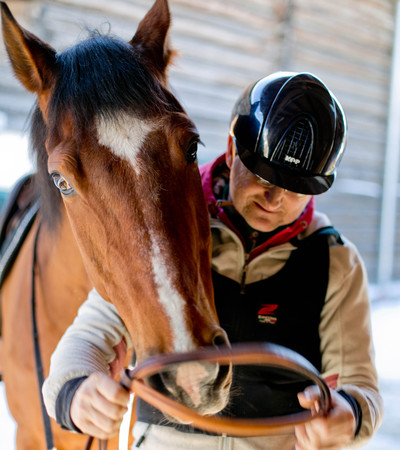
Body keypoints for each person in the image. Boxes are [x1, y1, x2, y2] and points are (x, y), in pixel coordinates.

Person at [43, 72, 383, 449]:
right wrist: (74, 392)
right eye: (262, 176)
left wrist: (349, 415)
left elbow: (362, 385)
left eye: (296, 189)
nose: (274, 199)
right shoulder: (172, 229)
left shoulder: (334, 261)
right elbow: (92, 331)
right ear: (233, 150)